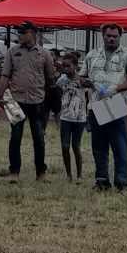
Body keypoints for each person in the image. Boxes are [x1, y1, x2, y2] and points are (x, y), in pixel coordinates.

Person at [82, 24, 127, 192]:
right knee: (99, 146)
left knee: (120, 146)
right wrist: (86, 82)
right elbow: (82, 76)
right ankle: (102, 181)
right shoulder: (92, 55)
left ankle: (121, 183)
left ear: (120, 37)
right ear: (103, 35)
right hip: (96, 104)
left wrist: (116, 89)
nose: (111, 39)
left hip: (116, 104)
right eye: (108, 36)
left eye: (114, 36)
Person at [0, 23, 59, 181]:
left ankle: (41, 173)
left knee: (39, 138)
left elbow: (51, 79)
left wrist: (51, 101)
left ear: (33, 33)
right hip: (17, 101)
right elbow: (5, 75)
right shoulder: (12, 51)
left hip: (38, 101)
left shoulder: (44, 54)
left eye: (23, 32)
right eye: (19, 32)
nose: (20, 35)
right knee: (15, 137)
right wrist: (0, 94)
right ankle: (14, 172)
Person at [55, 50, 90, 182]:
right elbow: (58, 94)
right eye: (64, 66)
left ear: (75, 66)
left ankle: (79, 175)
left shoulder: (82, 80)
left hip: (79, 118)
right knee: (65, 146)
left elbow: (89, 94)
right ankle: (69, 174)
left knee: (76, 146)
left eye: (68, 66)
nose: (66, 68)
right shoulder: (61, 80)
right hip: (65, 118)